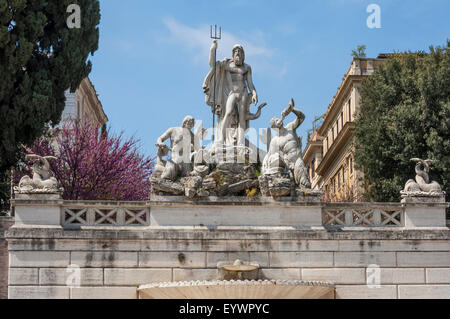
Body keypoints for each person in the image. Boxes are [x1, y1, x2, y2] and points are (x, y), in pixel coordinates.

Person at [203, 41, 258, 146]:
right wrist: (213, 49)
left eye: (240, 51)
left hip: (243, 93)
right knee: (227, 113)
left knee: (242, 118)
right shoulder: (226, 64)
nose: (238, 53)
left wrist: (254, 93)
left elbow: (250, 83)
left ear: (243, 54)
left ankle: (241, 142)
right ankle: (221, 139)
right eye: (236, 51)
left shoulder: (246, 67)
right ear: (233, 54)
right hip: (231, 93)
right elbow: (213, 65)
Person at [262, 99, 311, 188]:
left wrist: (292, 110)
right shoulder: (275, 140)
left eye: (277, 119)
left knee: (305, 183)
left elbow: (302, 117)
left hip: (298, 159)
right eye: (276, 121)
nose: (278, 120)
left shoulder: (290, 127)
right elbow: (274, 156)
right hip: (288, 166)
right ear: (274, 127)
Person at [155, 116, 199, 181]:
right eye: (190, 123)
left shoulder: (192, 135)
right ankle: (162, 166)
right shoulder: (173, 130)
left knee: (190, 177)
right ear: (185, 122)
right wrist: (160, 143)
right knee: (168, 174)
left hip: (186, 163)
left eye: (192, 124)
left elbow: (197, 148)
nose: (191, 125)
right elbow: (160, 138)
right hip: (175, 159)